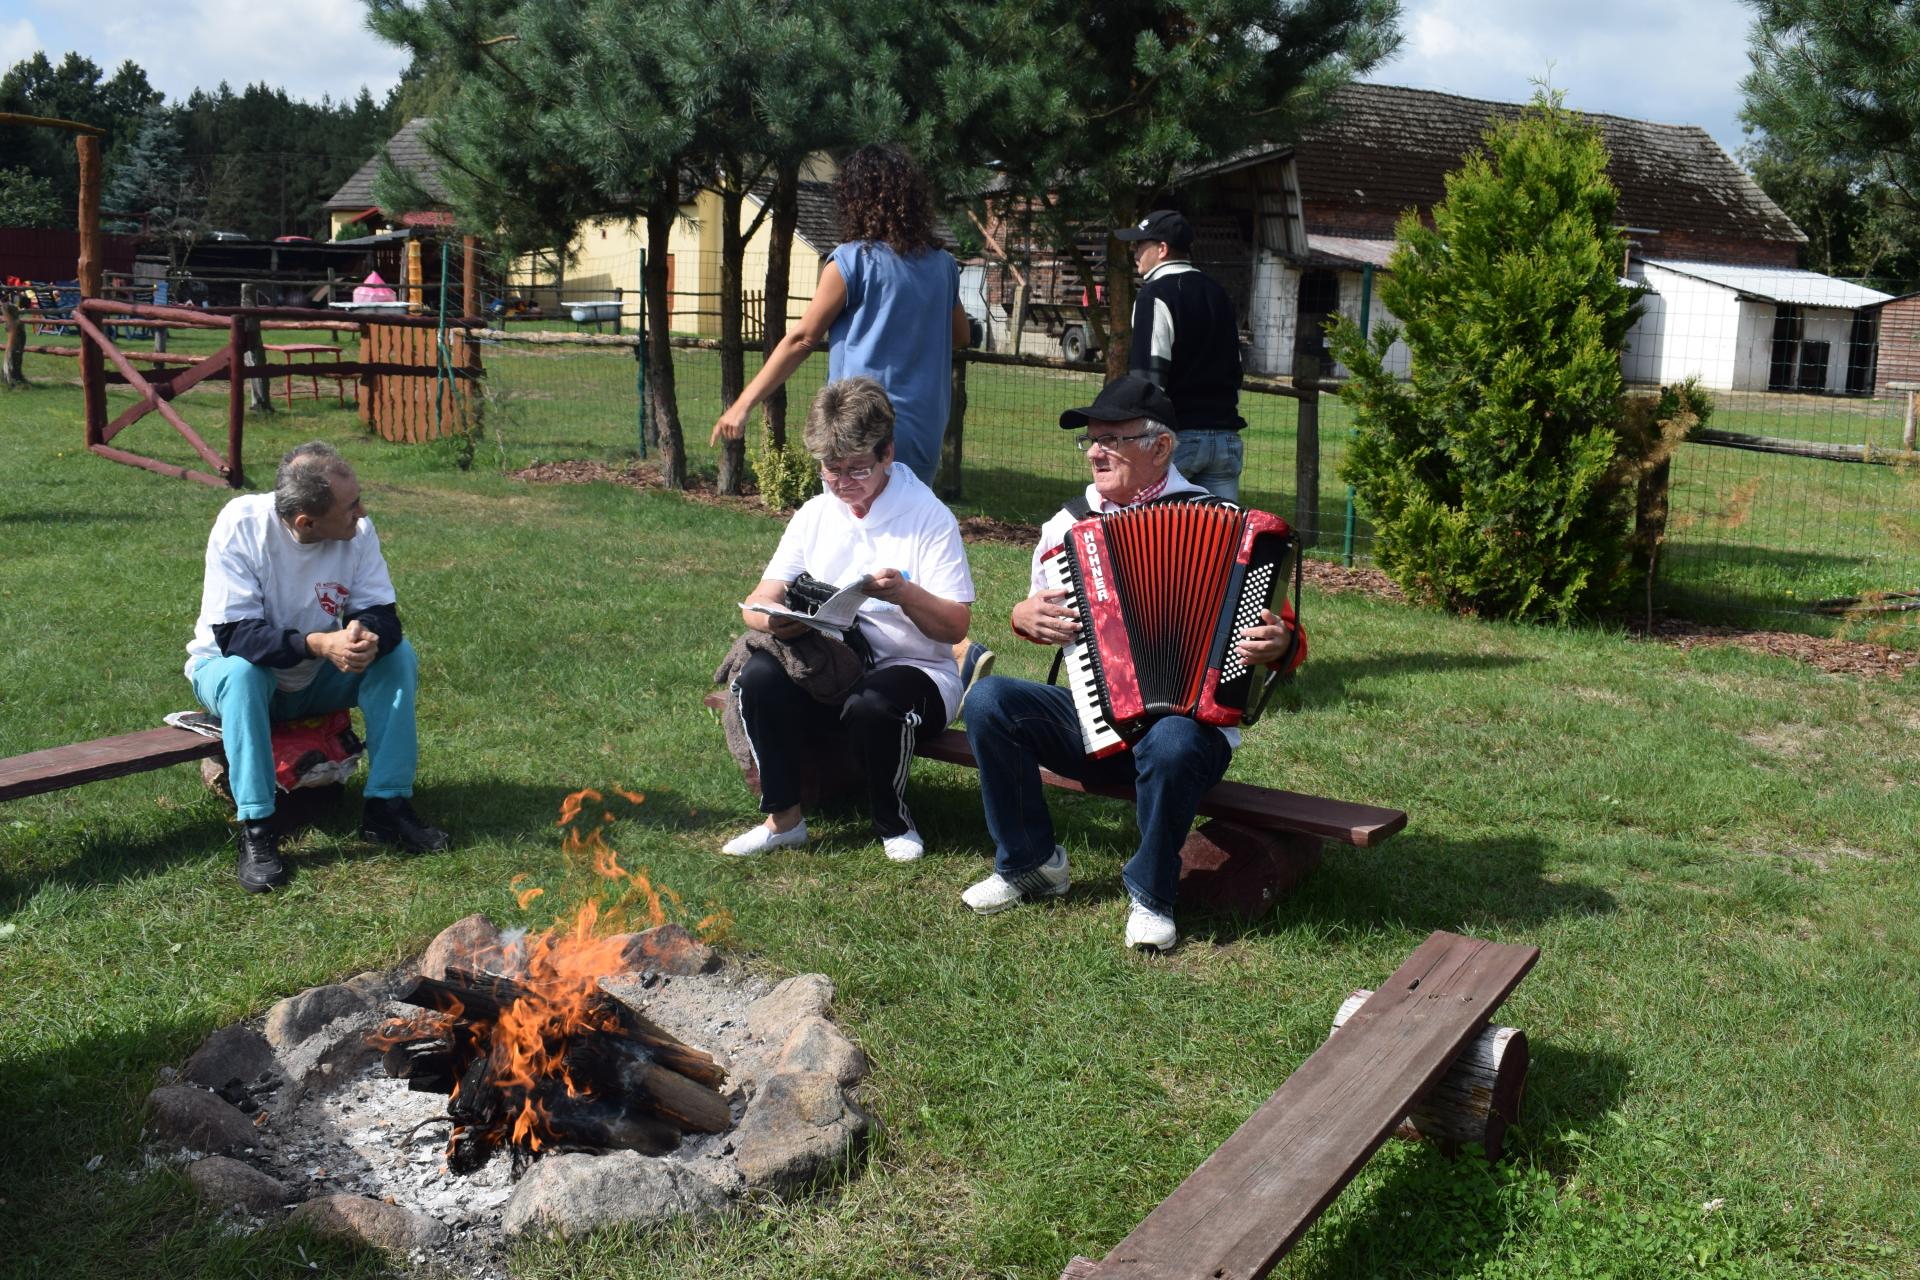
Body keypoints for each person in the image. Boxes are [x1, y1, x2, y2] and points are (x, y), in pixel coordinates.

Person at [959, 375, 1306, 950]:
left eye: (1112, 439)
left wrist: (1281, 645)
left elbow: (1291, 637)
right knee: (991, 701)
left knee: (1171, 739)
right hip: (1096, 722)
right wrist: (1024, 617)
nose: (1095, 452)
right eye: (1091, 440)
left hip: (1187, 740)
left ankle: (1151, 895)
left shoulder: (1226, 522)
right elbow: (1043, 615)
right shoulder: (1066, 526)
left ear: (1160, 447)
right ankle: (1030, 862)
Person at [721, 377, 975, 863]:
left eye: (857, 469)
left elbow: (955, 627)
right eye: (830, 470)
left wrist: (905, 594)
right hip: (832, 666)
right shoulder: (817, 512)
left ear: (887, 453)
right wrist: (777, 622)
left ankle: (893, 821)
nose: (842, 483)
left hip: (917, 668)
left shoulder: (927, 515)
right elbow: (758, 599)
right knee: (758, 676)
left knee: (872, 703)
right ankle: (784, 820)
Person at [185, 441, 450, 893]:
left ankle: (388, 807)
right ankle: (258, 829)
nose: (362, 512)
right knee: (244, 673)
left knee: (397, 658)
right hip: (234, 674)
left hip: (315, 675)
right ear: (306, 522)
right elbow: (237, 637)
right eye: (350, 507)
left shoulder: (357, 531)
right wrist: (318, 643)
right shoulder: (241, 525)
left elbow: (382, 610)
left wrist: (365, 634)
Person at [1115, 209, 1247, 502]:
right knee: (1220, 542)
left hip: (1178, 440)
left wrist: (1142, 441)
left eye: (1140, 244)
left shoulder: (1154, 295)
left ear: (1161, 249)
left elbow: (1147, 378)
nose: (1134, 252)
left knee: (1159, 539)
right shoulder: (1218, 293)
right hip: (1226, 441)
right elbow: (1236, 368)